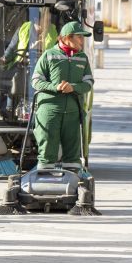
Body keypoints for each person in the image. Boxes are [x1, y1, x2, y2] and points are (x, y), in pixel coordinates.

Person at [31, 21, 94, 170]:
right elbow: (36, 81)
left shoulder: (83, 58)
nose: (82, 40)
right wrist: (55, 87)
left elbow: (89, 82)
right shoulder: (48, 55)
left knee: (73, 151)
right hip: (49, 110)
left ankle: (73, 177)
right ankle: (44, 177)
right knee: (47, 148)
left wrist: (74, 87)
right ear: (66, 38)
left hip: (73, 111)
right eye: (79, 37)